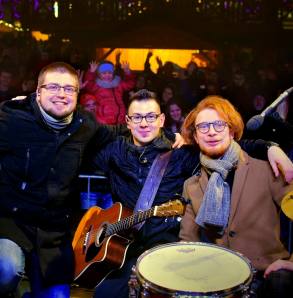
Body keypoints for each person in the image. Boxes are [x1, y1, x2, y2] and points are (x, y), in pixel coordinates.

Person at [0, 62, 153, 298]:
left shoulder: (85, 125)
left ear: (78, 94)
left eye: (69, 89)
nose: (61, 94)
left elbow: (118, 131)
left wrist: (172, 136)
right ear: (38, 93)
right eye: (53, 87)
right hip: (10, 221)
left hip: (54, 231)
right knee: (6, 273)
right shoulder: (15, 120)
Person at [89, 90, 293, 298]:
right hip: (125, 247)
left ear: (162, 120)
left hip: (169, 247)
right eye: (137, 117)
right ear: (127, 121)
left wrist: (268, 146)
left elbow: (227, 147)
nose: (144, 123)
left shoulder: (183, 155)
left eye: (151, 117)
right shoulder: (115, 152)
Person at [179, 96, 293, 298]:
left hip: (266, 276)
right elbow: (188, 241)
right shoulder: (191, 186)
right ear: (196, 137)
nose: (212, 132)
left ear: (231, 131)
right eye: (203, 127)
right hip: (220, 280)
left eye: (219, 125)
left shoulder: (268, 168)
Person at [81, 60, 135, 125]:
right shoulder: (97, 86)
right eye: (104, 73)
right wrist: (91, 72)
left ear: (113, 73)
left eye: (110, 73)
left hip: (120, 120)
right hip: (104, 122)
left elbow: (130, 84)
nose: (107, 75)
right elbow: (88, 85)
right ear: (99, 74)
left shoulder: (118, 84)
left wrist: (128, 73)